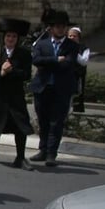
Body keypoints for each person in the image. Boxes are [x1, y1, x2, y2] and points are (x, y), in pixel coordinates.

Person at [29, 9, 82, 167]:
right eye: (57, 26)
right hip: (43, 87)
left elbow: (69, 63)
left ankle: (52, 153)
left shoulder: (71, 45)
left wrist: (50, 63)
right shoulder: (42, 44)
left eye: (63, 26)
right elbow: (37, 60)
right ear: (51, 28)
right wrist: (55, 60)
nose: (60, 29)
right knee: (43, 120)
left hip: (61, 88)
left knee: (56, 122)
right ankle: (43, 149)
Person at [0, 19, 35, 169]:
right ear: (4, 38)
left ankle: (20, 157)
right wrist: (1, 72)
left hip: (15, 96)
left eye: (13, 36)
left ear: (17, 39)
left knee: (20, 125)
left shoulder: (24, 54)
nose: (10, 39)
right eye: (8, 36)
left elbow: (26, 75)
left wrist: (12, 71)